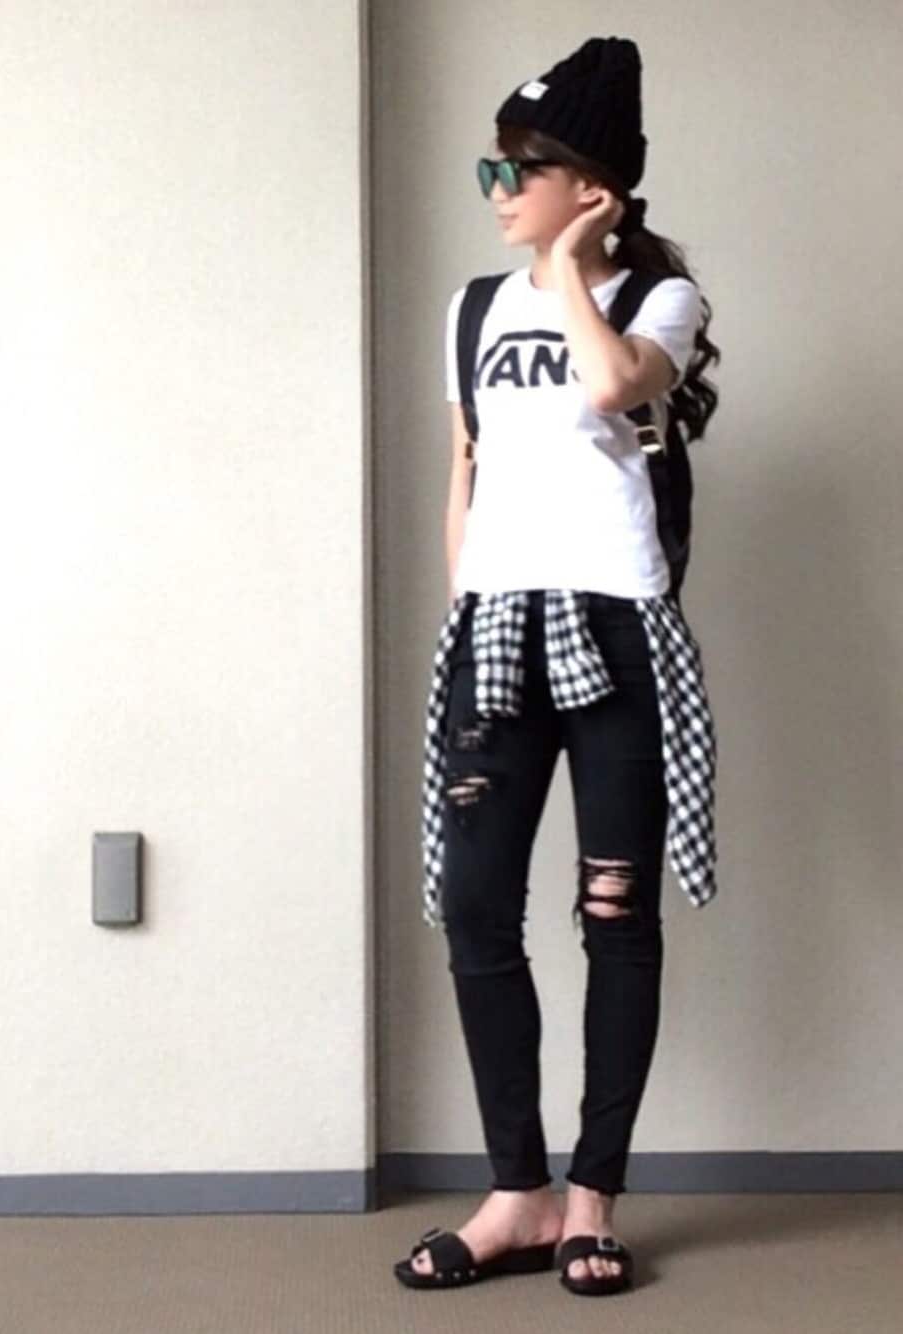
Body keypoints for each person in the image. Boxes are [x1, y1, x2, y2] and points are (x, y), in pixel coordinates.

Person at [394, 36, 721, 1298]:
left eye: (519, 168)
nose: (494, 187)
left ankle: (592, 1197)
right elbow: (464, 467)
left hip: (618, 626)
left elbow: (608, 385)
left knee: (613, 911)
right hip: (497, 628)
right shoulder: (470, 309)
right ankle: (517, 1192)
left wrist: (577, 268)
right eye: (491, 164)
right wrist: (464, 602)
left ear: (591, 186)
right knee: (477, 904)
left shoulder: (659, 302)